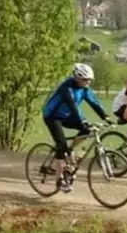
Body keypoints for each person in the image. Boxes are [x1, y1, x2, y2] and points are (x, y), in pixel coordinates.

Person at [41, 63, 112, 192]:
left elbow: (94, 102)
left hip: (66, 115)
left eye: (90, 79)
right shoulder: (66, 87)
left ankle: (70, 150)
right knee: (61, 146)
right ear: (77, 78)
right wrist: (82, 120)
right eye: (85, 79)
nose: (88, 82)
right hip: (52, 116)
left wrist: (106, 117)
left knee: (86, 129)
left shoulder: (84, 88)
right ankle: (60, 180)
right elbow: (72, 105)